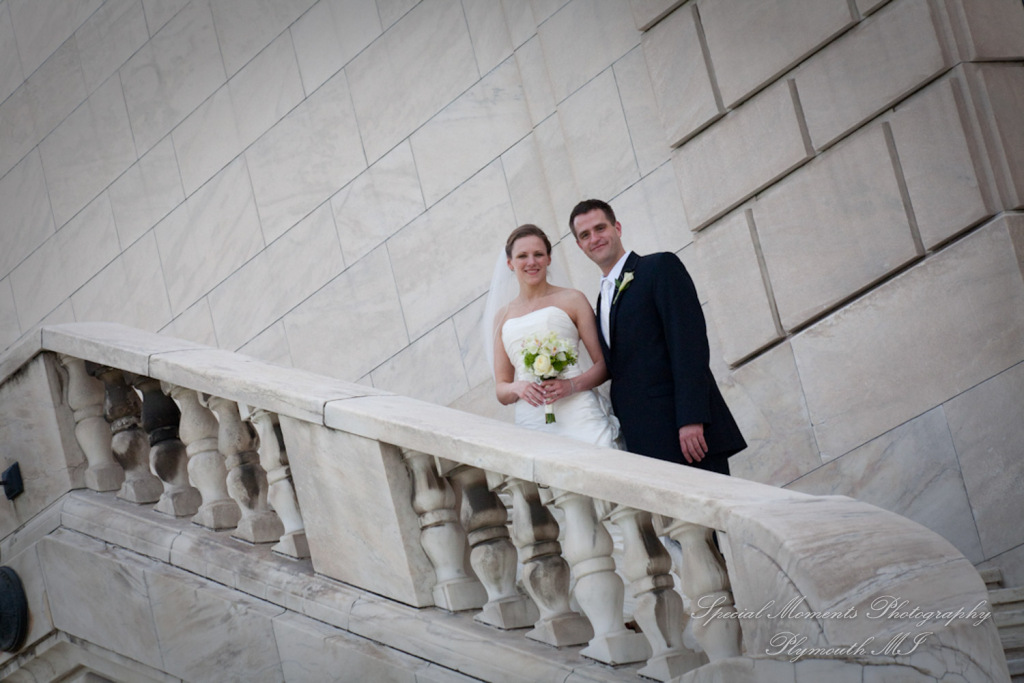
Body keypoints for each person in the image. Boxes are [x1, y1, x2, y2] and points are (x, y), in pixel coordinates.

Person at [569, 199, 746, 473]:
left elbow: (689, 345)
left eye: (600, 228)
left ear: (617, 228)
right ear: (580, 245)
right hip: (643, 440)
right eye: (585, 235)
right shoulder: (601, 299)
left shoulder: (659, 267)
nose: (595, 238)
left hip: (684, 432)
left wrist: (692, 418)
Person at [491, 224, 619, 448]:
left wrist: (571, 386)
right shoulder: (502, 317)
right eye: (522, 256)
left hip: (578, 412)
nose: (532, 262)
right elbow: (501, 388)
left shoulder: (573, 299)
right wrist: (516, 387)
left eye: (539, 254)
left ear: (549, 259)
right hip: (533, 421)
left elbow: (603, 364)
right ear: (510, 263)